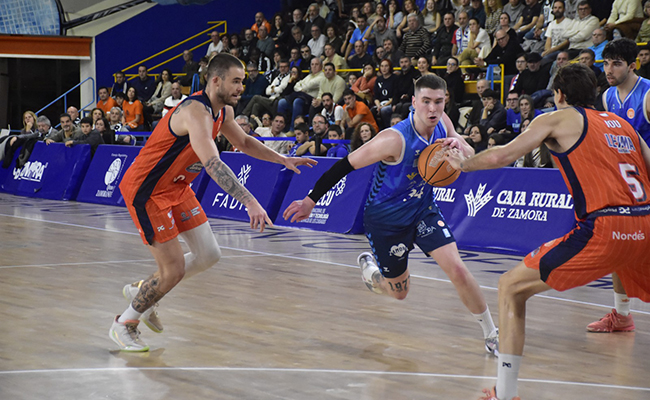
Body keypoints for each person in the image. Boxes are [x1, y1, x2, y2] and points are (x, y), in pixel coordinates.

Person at [445, 62, 650, 400]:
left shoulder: (557, 118)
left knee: (510, 288)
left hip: (606, 226)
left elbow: (502, 156)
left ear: (559, 94)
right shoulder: (624, 125)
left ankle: (504, 393)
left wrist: (463, 165)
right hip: (644, 224)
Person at [109, 53, 316, 352]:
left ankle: (143, 290)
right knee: (173, 271)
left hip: (177, 187)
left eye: (242, 81)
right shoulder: (195, 111)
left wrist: (281, 158)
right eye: (235, 81)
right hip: (148, 190)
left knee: (208, 255)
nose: (241, 88)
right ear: (216, 80)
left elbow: (244, 142)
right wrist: (249, 201)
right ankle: (124, 323)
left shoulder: (224, 112)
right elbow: (213, 164)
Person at [284, 74, 499, 358]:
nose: (433, 109)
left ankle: (491, 334)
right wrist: (311, 200)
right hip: (386, 220)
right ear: (414, 102)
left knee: (457, 269)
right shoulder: (393, 139)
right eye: (426, 101)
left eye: (438, 102)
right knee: (399, 292)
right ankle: (373, 274)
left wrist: (461, 148)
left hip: (423, 210)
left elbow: (468, 150)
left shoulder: (443, 123)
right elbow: (345, 166)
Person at [582, 38, 650, 334]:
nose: (608, 69)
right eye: (606, 63)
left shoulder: (647, 95)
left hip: (646, 181)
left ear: (633, 65)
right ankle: (622, 315)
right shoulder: (608, 96)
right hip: (628, 186)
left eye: (617, 64)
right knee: (620, 247)